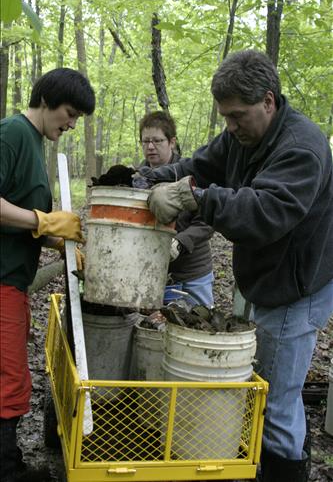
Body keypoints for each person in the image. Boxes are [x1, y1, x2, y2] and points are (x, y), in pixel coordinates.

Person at [134, 50, 333, 482]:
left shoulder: (301, 148)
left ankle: (284, 469)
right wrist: (154, 177)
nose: (231, 125)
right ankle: (263, 462)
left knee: (275, 401)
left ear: (269, 100)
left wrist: (199, 199)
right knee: (262, 388)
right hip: (262, 278)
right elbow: (198, 163)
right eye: (225, 116)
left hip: (294, 288)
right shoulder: (243, 136)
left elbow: (265, 213)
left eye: (238, 115)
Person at [0, 67, 95, 482]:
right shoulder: (13, 134)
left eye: (77, 118)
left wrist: (57, 241)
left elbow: (19, 218)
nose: (71, 124)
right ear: (45, 99)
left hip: (14, 281)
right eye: (69, 113)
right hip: (1, 282)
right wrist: (43, 220)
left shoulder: (34, 144)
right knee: (10, 380)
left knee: (11, 377)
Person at [138, 110, 214, 307]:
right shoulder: (137, 179)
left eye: (157, 140)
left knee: (196, 328)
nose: (150, 147)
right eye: (145, 141)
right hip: (150, 272)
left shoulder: (192, 174)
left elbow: (207, 222)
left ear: (172, 142)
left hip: (192, 274)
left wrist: (180, 242)